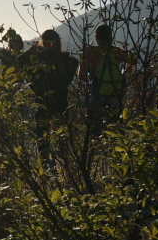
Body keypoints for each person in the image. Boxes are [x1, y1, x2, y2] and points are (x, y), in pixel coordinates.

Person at [19, 29, 79, 159]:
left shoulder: (38, 59)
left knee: (42, 138)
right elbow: (73, 66)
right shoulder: (66, 59)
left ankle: (45, 165)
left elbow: (18, 62)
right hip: (61, 100)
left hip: (42, 101)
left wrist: (32, 51)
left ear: (43, 42)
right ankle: (64, 166)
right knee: (62, 137)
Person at [80, 24, 134, 131]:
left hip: (97, 97)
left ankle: (96, 146)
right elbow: (134, 60)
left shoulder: (90, 53)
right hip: (115, 95)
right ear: (111, 37)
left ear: (96, 38)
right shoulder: (116, 52)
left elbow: (82, 76)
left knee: (96, 129)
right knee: (116, 129)